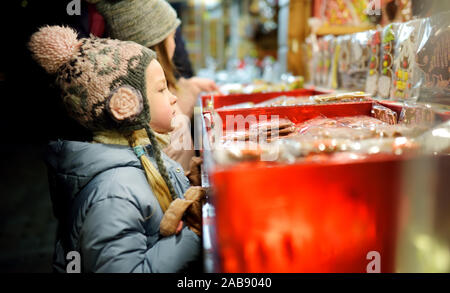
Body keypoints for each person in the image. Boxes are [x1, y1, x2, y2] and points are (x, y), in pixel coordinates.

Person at [29, 25, 205, 273]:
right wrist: (194, 233)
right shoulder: (114, 193)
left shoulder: (141, 153)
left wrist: (186, 183)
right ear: (126, 106)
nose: (173, 97)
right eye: (160, 89)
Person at [87, 0, 217, 171]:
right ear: (157, 44)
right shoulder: (149, 108)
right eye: (172, 37)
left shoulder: (140, 96)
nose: (176, 44)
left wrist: (190, 87)